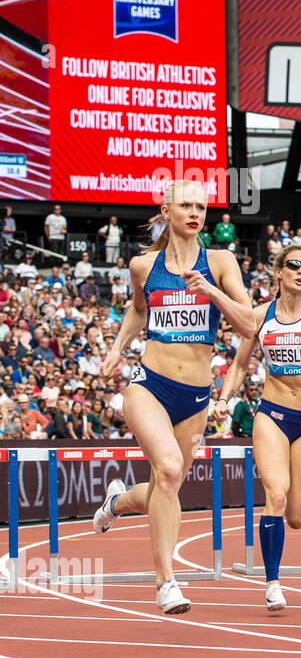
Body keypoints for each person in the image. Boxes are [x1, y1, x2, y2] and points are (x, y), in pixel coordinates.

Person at [90, 180, 257, 614]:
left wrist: (213, 292)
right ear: (165, 210)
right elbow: (138, 310)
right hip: (150, 385)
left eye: (200, 205)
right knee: (167, 469)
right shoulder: (144, 265)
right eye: (185, 204)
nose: (195, 212)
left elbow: (250, 325)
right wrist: (116, 348)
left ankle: (117, 501)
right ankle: (166, 581)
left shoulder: (220, 261)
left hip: (196, 395)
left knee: (167, 485)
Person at [216, 244, 301, 612]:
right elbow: (241, 365)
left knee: (297, 517)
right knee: (275, 494)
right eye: (294, 265)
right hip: (271, 414)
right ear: (278, 271)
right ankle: (272, 582)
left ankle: (277, 556)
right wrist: (226, 399)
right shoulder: (259, 316)